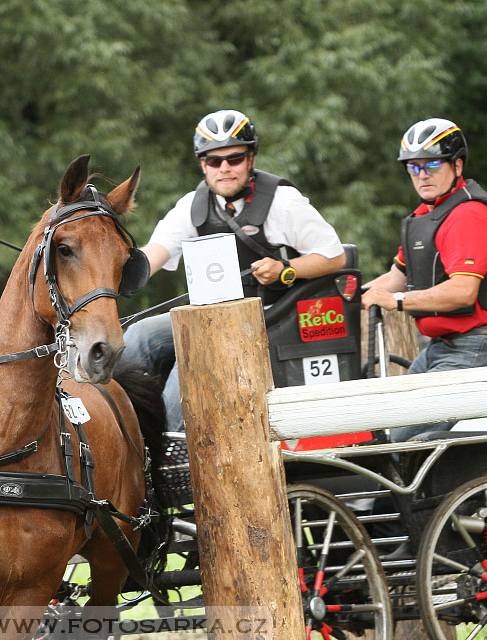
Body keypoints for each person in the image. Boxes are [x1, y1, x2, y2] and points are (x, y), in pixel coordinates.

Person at [123, 109, 346, 431]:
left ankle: (172, 443)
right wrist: (113, 272)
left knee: (189, 363)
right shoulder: (191, 206)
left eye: (235, 159)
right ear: (203, 165)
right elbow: (154, 254)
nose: (225, 168)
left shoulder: (283, 203)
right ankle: (127, 430)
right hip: (212, 319)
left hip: (271, 319)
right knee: (139, 335)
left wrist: (286, 268)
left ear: (251, 159)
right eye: (214, 161)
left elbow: (334, 257)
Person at [361, 117, 487, 442]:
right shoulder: (425, 216)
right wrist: (346, 300)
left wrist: (396, 302)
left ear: (457, 165)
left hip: (478, 344)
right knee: (385, 433)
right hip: (442, 348)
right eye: (414, 167)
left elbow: (463, 292)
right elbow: (396, 278)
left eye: (432, 164)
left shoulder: (469, 214)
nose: (422, 175)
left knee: (398, 441)